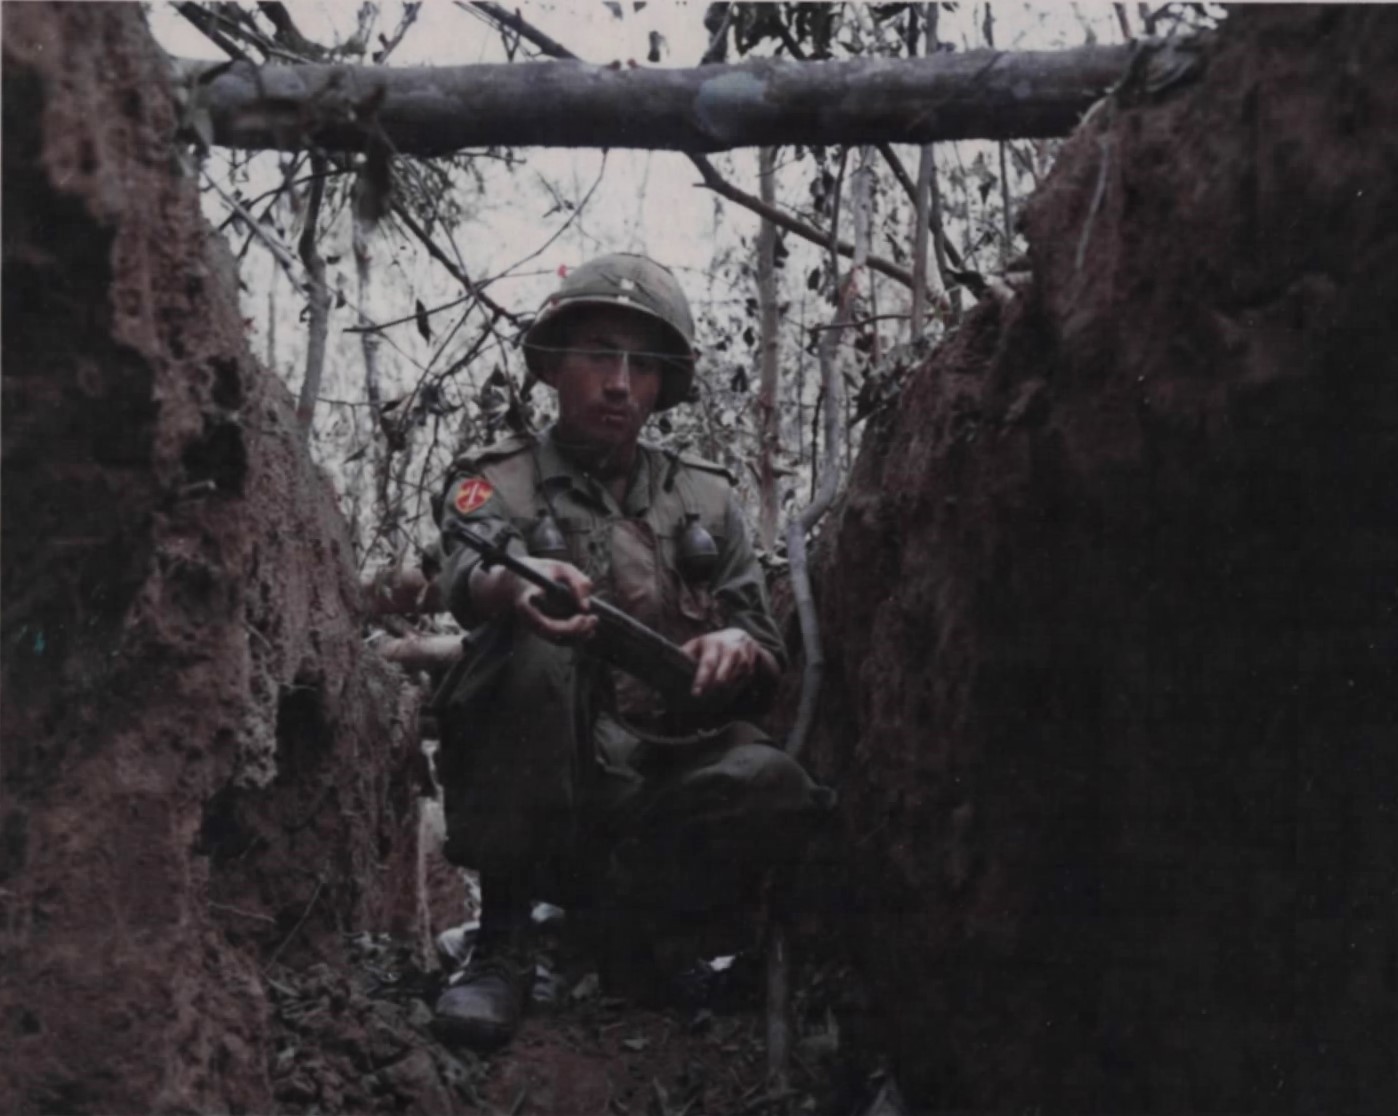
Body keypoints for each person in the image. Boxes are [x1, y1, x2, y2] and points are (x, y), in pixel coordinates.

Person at [430, 253, 826, 1050]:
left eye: (643, 364)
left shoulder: (705, 497)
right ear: (553, 367)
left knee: (772, 782)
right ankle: (502, 941)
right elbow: (466, 572)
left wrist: (736, 650)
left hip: (661, 777)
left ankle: (632, 942)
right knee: (536, 652)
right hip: (544, 779)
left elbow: (764, 643)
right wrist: (516, 588)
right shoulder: (495, 482)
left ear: (661, 385)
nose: (619, 383)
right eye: (598, 356)